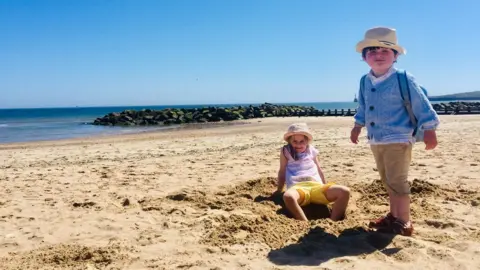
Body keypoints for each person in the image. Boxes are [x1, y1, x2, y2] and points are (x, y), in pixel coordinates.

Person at [350, 27, 440, 236]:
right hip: (376, 139)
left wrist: (429, 129)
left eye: (385, 50)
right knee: (387, 180)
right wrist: (357, 126)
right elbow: (362, 106)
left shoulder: (403, 78)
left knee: (398, 181)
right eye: (371, 51)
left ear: (396, 56)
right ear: (364, 57)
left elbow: (421, 104)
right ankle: (393, 215)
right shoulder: (365, 80)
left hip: (399, 137)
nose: (378, 55)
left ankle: (404, 220)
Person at [276, 123, 350, 221]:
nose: (298, 144)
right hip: (298, 188)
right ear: (289, 141)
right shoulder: (286, 151)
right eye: (295, 141)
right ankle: (304, 223)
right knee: (288, 196)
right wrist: (279, 190)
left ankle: (333, 222)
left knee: (345, 191)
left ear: (307, 141)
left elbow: (319, 169)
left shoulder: (311, 150)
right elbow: (282, 171)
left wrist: (324, 186)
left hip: (317, 187)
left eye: (302, 141)